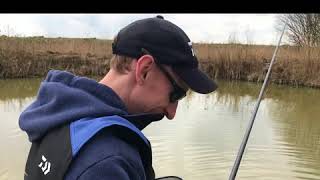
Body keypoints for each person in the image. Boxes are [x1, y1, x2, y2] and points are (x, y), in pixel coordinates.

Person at [19, 15, 218, 180]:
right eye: (175, 94)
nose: (172, 112)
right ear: (144, 70)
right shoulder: (108, 160)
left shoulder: (60, 117)